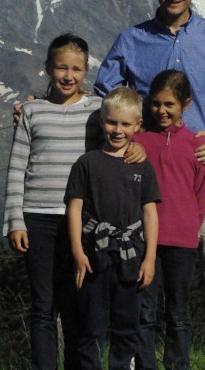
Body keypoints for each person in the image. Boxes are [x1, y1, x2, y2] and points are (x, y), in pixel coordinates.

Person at [94, 0, 205, 370]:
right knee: (135, 271)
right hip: (143, 169)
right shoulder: (132, 39)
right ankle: (131, 363)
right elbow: (105, 96)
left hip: (203, 164)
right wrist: (130, 138)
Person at [3, 33, 102, 370]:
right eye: (61, 67)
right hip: (37, 218)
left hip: (83, 222)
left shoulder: (98, 110)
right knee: (43, 306)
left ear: (86, 70)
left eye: (76, 68)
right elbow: (17, 166)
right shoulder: (32, 111)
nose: (68, 75)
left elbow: (120, 140)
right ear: (48, 68)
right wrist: (15, 220)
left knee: (78, 303)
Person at [65, 86, 160, 370]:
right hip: (94, 257)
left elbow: (150, 213)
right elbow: (75, 209)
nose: (118, 130)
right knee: (91, 327)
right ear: (102, 122)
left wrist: (150, 258)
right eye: (112, 122)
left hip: (132, 258)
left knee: (126, 327)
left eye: (125, 124)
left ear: (137, 126)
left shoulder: (143, 167)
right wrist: (78, 253)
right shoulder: (87, 163)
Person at [132, 70, 205, 370]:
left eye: (169, 105)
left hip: (181, 241)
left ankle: (179, 366)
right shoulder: (138, 141)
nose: (161, 111)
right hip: (144, 239)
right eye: (155, 104)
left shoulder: (196, 145)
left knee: (178, 313)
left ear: (185, 105)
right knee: (144, 312)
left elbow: (200, 194)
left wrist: (191, 227)